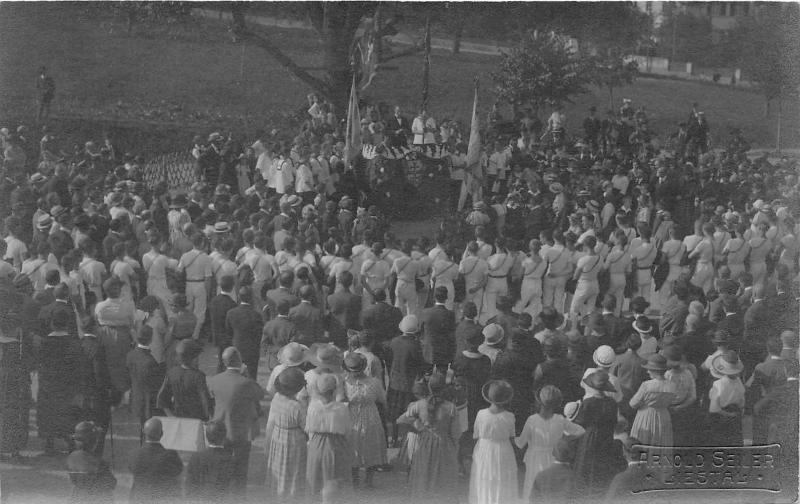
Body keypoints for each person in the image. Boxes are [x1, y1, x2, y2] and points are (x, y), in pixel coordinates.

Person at [207, 347, 265, 494]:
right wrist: (246, 374)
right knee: (240, 470)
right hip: (240, 431)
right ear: (239, 361)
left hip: (219, 430)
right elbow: (260, 394)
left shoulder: (214, 380)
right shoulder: (245, 382)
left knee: (220, 467)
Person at [397, 372, 462, 500]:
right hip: (444, 445)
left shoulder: (420, 404)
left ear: (429, 388)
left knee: (424, 478)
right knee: (443, 480)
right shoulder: (451, 408)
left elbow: (400, 420)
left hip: (424, 445)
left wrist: (417, 428)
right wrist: (455, 448)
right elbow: (456, 434)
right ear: (444, 388)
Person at [516, 385, 585, 502]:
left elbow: (520, 443)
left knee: (534, 486)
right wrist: (566, 439)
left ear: (539, 402)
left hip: (535, 458)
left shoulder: (532, 420)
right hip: (553, 456)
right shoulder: (560, 419)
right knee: (550, 486)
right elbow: (581, 431)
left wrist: (511, 438)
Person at [38, 309, 84, 454]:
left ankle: (49, 444)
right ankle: (70, 442)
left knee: (49, 412)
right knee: (68, 413)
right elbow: (78, 367)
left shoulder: (45, 342)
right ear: (67, 324)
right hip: (67, 385)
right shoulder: (74, 343)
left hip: (48, 384)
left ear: (52, 324)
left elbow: (41, 364)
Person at [306, 373, 353, 504]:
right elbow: (347, 430)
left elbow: (309, 428)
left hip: (315, 444)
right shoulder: (341, 408)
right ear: (334, 389)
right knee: (333, 481)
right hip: (335, 445)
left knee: (315, 479)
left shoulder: (313, 406)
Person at [469, 379, 518, 504]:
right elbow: (512, 437)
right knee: (502, 478)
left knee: (484, 477)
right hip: (503, 450)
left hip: (484, 449)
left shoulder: (481, 414)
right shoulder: (509, 416)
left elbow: (476, 435)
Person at [572, 370, 622, 492]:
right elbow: (614, 421)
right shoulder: (612, 403)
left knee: (586, 463)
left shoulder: (587, 403)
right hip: (607, 436)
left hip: (590, 436)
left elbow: (580, 422)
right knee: (603, 463)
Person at [344, 352, 387, 489]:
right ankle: (363, 480)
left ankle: (361, 480)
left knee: (360, 446)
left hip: (358, 416)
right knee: (362, 447)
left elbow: (382, 400)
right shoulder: (374, 382)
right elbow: (382, 401)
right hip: (364, 416)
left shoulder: (346, 383)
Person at [265, 366, 308, 500]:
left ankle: (277, 494)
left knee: (279, 466)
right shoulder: (298, 406)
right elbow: (306, 426)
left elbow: (271, 421)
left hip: (278, 436)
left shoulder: (276, 398)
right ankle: (291, 496)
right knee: (294, 469)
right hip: (294, 440)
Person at [129, 417, 183, 504]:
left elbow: (132, 469)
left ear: (143, 432)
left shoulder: (134, 454)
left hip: (139, 498)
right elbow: (178, 471)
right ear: (162, 434)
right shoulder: (171, 455)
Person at [156, 339, 212, 420]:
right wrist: (208, 417)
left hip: (179, 419)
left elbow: (162, 398)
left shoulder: (172, 373)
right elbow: (205, 401)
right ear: (193, 358)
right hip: (197, 420)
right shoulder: (199, 376)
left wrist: (171, 417)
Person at [629, 354, 677, 447]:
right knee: (661, 442)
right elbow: (672, 401)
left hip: (645, 416)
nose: (647, 371)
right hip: (663, 416)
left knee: (643, 441)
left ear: (655, 371)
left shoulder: (647, 385)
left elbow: (633, 404)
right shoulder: (672, 385)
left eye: (649, 369)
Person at [126, 326, 164, 438]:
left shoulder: (130, 355)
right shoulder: (150, 361)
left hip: (136, 396)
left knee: (143, 427)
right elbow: (156, 383)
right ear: (151, 339)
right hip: (148, 401)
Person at [66, 421, 116, 504]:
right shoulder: (99, 462)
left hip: (77, 496)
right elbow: (111, 483)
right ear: (93, 441)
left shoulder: (71, 457)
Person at [185, 420, 235, 503]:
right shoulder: (231, 461)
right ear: (224, 437)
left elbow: (189, 486)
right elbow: (233, 492)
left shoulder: (195, 458)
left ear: (207, 437)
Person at [705, 350, 745, 447]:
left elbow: (714, 408)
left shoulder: (718, 384)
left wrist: (728, 414)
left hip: (721, 416)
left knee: (720, 443)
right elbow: (742, 402)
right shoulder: (739, 381)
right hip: (735, 414)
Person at [226, 286, 263, 380]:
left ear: (238, 297)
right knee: (252, 375)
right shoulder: (256, 315)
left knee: (236, 375)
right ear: (251, 298)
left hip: (237, 347)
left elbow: (228, 332)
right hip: (252, 349)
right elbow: (259, 334)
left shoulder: (231, 313)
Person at [532, 437, 578, 504]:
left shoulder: (540, 475)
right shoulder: (575, 477)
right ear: (573, 455)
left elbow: (533, 500)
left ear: (553, 452)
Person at [419, 286, 456, 369]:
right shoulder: (450, 315)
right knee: (441, 374)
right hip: (443, 350)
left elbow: (420, 331)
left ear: (434, 297)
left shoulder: (425, 312)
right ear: (446, 298)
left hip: (428, 349)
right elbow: (451, 333)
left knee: (426, 375)